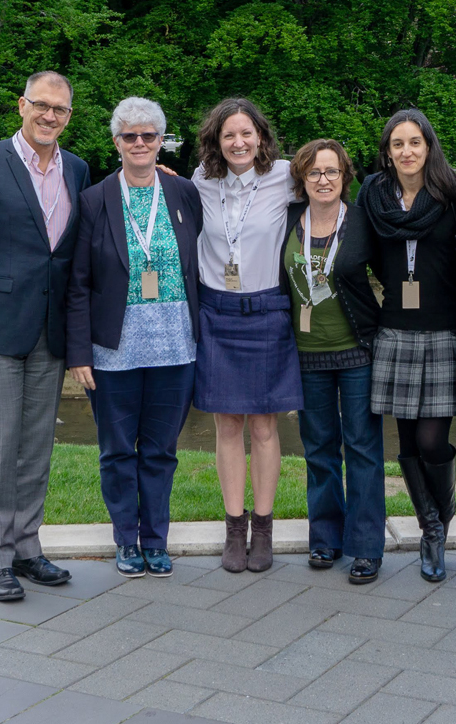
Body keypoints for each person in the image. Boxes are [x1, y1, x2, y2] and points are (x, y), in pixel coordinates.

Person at [0, 70, 91, 601]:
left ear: (69, 116)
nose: (50, 115)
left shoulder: (76, 169)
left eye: (60, 109)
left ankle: (27, 547)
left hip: (50, 331)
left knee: (36, 447)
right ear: (22, 106)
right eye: (41, 105)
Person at [65, 97, 203, 579]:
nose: (140, 143)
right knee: (118, 450)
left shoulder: (183, 193)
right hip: (112, 351)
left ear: (161, 140)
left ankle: (156, 540)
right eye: (130, 136)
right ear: (116, 142)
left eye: (149, 135)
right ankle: (126, 539)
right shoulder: (94, 200)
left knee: (162, 451)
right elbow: (78, 282)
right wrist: (79, 351)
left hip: (176, 347)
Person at [349, 109, 456, 583]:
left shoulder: (452, 194)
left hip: (443, 330)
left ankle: (443, 508)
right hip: (395, 329)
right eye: (398, 143)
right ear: (388, 150)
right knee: (406, 437)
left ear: (429, 146)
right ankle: (431, 528)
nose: (406, 151)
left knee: (434, 438)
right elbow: (359, 258)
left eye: (415, 142)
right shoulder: (373, 195)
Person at [192, 97, 301, 573]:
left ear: (261, 136)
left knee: (263, 425)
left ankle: (263, 528)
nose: (238, 142)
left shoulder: (285, 178)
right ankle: (234, 528)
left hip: (267, 313)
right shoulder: (199, 181)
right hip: (217, 313)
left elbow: (329, 191)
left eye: (246, 133)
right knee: (228, 425)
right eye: (228, 135)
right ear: (217, 140)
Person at [280, 139, 385, 584]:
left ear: (345, 177)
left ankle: (365, 548)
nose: (324, 180)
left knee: (362, 448)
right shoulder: (286, 219)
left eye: (332, 172)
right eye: (314, 173)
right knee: (320, 449)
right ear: (302, 180)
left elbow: (396, 272)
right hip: (306, 354)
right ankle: (325, 537)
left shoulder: (362, 221)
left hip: (357, 351)